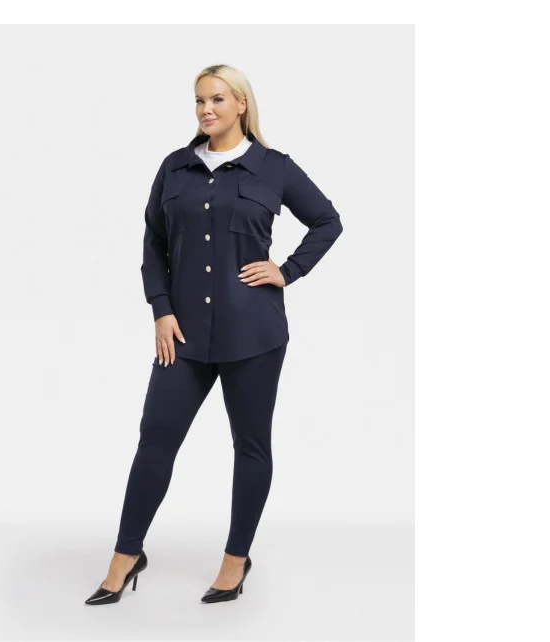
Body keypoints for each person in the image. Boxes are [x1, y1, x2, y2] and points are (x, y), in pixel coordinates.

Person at [85, 64, 343, 606]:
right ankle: (126, 555)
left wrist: (288, 270)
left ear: (241, 104)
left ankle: (235, 559)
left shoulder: (273, 167)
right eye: (200, 100)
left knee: (250, 445)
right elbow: (153, 244)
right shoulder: (175, 167)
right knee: (156, 439)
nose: (206, 109)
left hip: (255, 333)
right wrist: (160, 310)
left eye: (218, 99)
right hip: (182, 336)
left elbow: (328, 221)